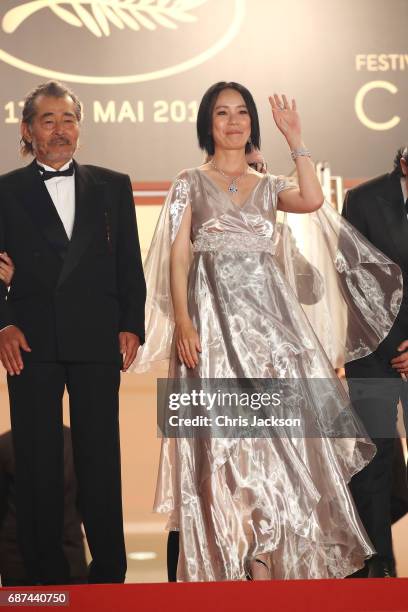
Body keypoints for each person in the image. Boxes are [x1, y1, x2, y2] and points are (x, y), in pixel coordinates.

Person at [134, 81, 403, 581]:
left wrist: (296, 138)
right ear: (206, 124)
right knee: (221, 445)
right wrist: (185, 324)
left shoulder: (269, 185)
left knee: (275, 444)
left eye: (241, 113)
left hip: (272, 339)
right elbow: (177, 256)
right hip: (211, 338)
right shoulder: (188, 181)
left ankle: (263, 554)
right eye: (222, 113)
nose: (233, 122)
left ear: (252, 123)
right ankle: (226, 557)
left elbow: (313, 197)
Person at [0, 81, 146, 585]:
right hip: (30, 345)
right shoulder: (4, 190)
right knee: (38, 468)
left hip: (97, 339)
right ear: (27, 130)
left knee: (100, 462)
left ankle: (109, 579)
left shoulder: (113, 185)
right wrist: (3, 322)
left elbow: (131, 264)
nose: (60, 130)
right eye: (48, 121)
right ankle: (42, 584)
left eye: (68, 120)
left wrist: (132, 324)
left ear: (79, 128)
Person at [342, 147, 408, 577]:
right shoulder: (363, 200)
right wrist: (395, 345)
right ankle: (378, 570)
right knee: (375, 464)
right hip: (372, 353)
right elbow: (351, 278)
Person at [0, 427, 87, 586]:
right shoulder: (75, 443)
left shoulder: (6, 444)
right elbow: (85, 499)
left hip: (17, 557)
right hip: (67, 551)